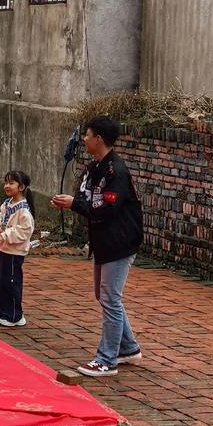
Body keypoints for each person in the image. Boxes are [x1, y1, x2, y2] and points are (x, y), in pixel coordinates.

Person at [51, 115, 143, 377]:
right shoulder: (93, 168)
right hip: (102, 241)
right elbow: (83, 197)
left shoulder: (117, 172)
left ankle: (107, 360)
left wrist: (75, 204)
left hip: (120, 241)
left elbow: (107, 209)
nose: (84, 139)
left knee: (111, 298)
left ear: (99, 138)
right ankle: (128, 348)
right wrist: (69, 201)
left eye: (88, 134)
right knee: (104, 296)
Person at [0, 170, 35, 328]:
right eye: (6, 182)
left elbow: (25, 231)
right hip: (3, 248)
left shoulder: (24, 210)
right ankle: (1, 311)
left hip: (14, 252)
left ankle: (15, 315)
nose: (7, 186)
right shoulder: (7, 204)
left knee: (11, 282)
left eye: (11, 183)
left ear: (21, 187)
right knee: (0, 281)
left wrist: (6, 234)